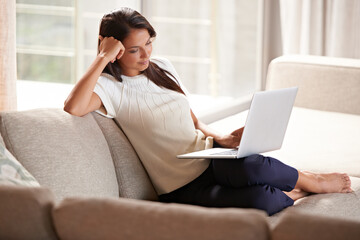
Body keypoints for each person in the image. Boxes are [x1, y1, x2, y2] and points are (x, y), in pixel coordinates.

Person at [64, 7, 353, 216]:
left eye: (149, 43)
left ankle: (312, 180)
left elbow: (189, 116)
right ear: (113, 49)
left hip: (207, 156)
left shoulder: (162, 67)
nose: (146, 55)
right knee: (259, 203)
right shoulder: (109, 87)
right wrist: (102, 56)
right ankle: (294, 192)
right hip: (182, 186)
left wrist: (222, 139)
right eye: (134, 50)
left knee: (253, 165)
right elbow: (73, 106)